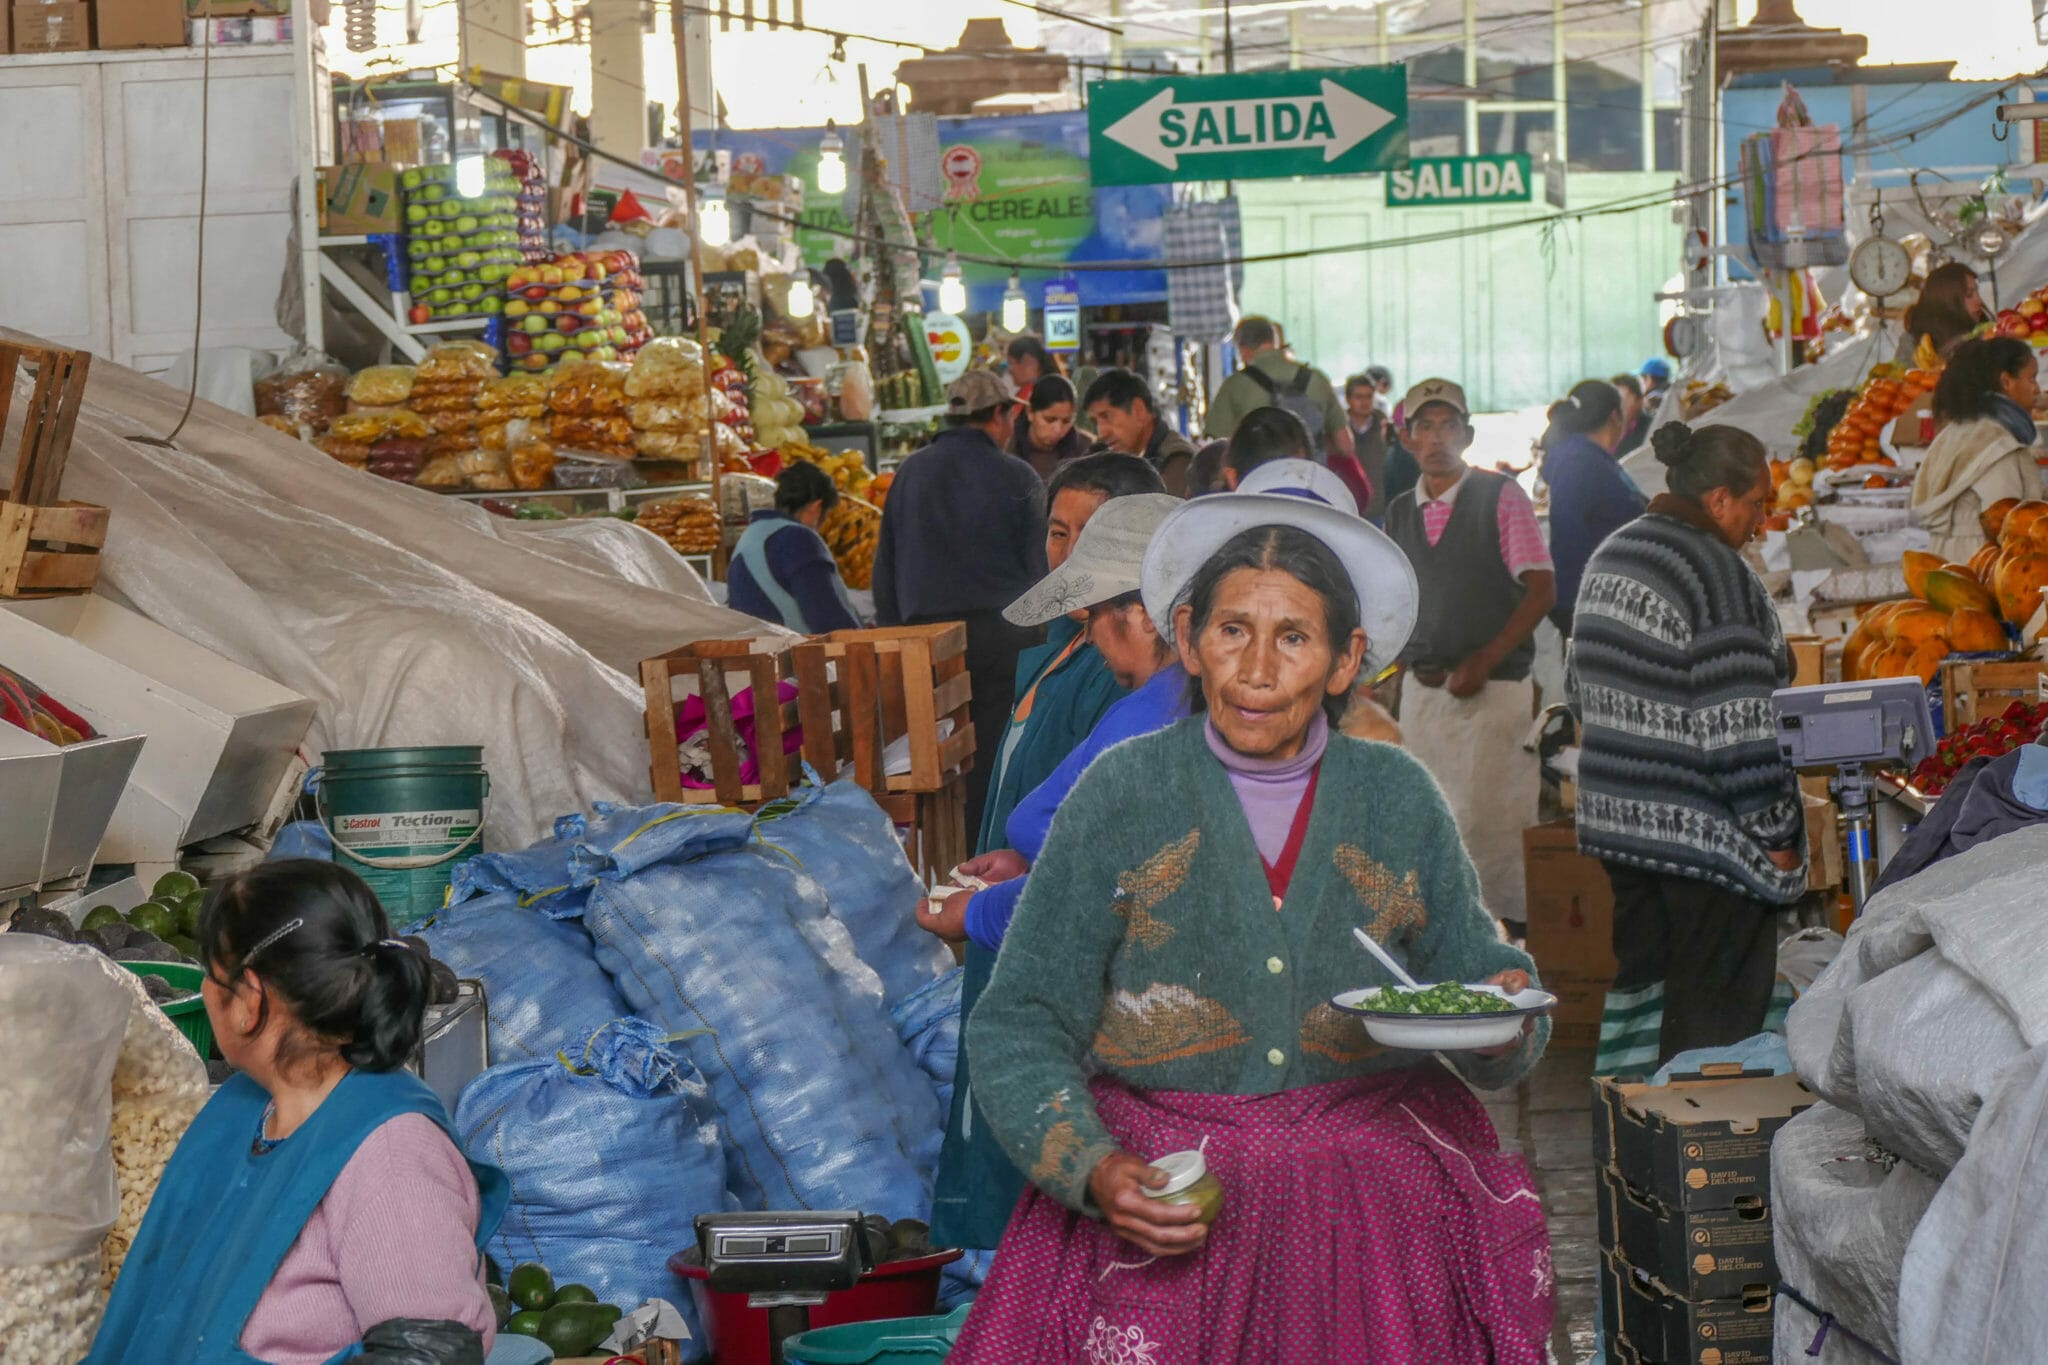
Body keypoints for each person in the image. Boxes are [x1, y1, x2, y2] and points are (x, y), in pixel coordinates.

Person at [950, 490, 1552, 1363]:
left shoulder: (1396, 797)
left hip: (1376, 1218)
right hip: (1166, 1194)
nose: (1258, 669)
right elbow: (1020, 1020)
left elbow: (1470, 970)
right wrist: (1093, 1165)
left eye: (1295, 637)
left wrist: (1500, 1013)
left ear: (1347, 660)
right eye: (1234, 631)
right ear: (1190, 638)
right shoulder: (1120, 795)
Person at [88, 861, 507, 1365]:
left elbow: (431, 1353)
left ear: (250, 999)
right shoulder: (245, 1108)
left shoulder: (391, 1152)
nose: (203, 991)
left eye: (211, 975)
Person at [925, 492, 1188, 1251]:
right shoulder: (1162, 697)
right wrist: (1024, 857)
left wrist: (977, 915)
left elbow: (1110, 881)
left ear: (1140, 614)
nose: (1096, 641)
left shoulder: (1160, 714)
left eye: (1098, 616)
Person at [1569, 421, 1806, 1066]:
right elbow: (1740, 731)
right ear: (1721, 499)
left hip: (1622, 829)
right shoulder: (1718, 577)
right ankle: (1693, 1156)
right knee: (1713, 1030)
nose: (1762, 523)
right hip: (1702, 840)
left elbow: (1579, 691)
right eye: (1757, 504)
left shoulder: (1614, 554)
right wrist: (1778, 833)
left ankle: (1630, 1149)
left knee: (1645, 1006)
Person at [1384, 378, 1556, 935]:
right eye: (1424, 427)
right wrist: (1398, 667)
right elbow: (1395, 601)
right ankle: (1441, 946)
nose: (1437, 438)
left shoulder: (1500, 496)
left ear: (1469, 434)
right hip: (1425, 701)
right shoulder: (1398, 513)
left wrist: (1485, 658)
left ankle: (1507, 951)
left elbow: (1541, 589)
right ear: (1406, 439)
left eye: (1449, 425)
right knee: (1430, 828)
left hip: (1495, 698)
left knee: (1496, 832)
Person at [875, 370, 1048, 835]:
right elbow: (1041, 572)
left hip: (923, 644)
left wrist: (892, 639)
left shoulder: (909, 472)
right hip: (1001, 641)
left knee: (933, 757)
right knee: (992, 754)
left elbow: (885, 569)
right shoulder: (1018, 475)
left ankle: (941, 857)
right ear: (999, 415)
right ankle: (984, 848)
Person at [1912, 336, 2044, 561]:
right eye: (2031, 379)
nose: (2037, 389)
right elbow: (2009, 526)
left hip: (1948, 563)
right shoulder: (1998, 446)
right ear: (2006, 382)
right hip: (1982, 566)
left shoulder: (1958, 430)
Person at [1542, 379, 1648, 636]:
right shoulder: (1579, 462)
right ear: (1615, 416)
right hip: (1593, 603)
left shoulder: (1589, 458)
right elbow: (1570, 538)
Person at [725, 461, 862, 634]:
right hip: (795, 656)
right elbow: (827, 617)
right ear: (816, 506)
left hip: (756, 653)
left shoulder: (750, 536)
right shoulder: (799, 539)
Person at [1203, 316, 1354, 471]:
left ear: (1242, 348)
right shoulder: (1316, 379)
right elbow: (1346, 446)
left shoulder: (1234, 385)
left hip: (1257, 484)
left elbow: (1218, 450)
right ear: (1274, 341)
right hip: (1311, 482)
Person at [1083, 368, 1198, 496]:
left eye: (1106, 416)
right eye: (1095, 422)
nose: (1101, 433)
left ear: (1139, 410)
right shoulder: (1110, 458)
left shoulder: (1177, 460)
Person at [1902, 262, 1989, 369]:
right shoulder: (1912, 343)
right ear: (1947, 300)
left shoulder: (1988, 333)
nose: (1979, 301)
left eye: (1977, 292)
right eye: (1969, 295)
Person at [1007, 374, 1089, 481]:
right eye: (1049, 420)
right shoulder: (1006, 446)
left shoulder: (1086, 451)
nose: (1058, 429)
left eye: (1066, 421)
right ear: (1030, 412)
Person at [1345, 371, 1394, 520]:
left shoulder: (1384, 425)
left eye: (1369, 396)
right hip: (1349, 510)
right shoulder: (1340, 428)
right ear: (1348, 399)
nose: (1364, 402)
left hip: (1380, 509)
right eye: (1359, 397)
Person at [1006, 335, 1062, 402]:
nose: (1010, 370)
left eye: (1011, 363)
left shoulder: (1043, 396)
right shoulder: (1056, 389)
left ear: (1028, 361)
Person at [1611, 373, 1650, 456]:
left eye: (1622, 401)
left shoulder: (1650, 429)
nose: (1617, 408)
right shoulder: (1601, 430)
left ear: (1640, 401)